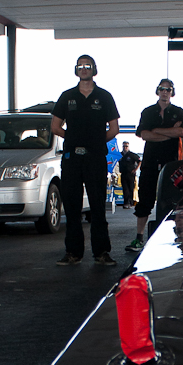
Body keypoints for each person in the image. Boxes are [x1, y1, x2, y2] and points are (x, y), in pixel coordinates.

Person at [51, 55, 119, 266]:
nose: (84, 69)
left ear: (94, 69)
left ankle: (101, 253)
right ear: (76, 70)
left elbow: (114, 128)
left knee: (98, 206)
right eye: (80, 66)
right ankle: (73, 253)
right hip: (72, 158)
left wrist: (95, 141)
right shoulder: (67, 96)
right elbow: (55, 126)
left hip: (95, 157)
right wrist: (73, 139)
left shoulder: (104, 96)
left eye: (87, 66)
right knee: (72, 207)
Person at [126, 80, 183, 252]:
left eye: (168, 89)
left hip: (171, 164)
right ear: (157, 91)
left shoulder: (178, 112)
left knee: (173, 201)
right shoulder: (148, 112)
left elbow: (181, 132)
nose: (165, 92)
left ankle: (171, 238)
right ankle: (139, 238)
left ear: (172, 92)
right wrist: (169, 132)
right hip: (150, 162)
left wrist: (156, 131)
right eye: (162, 89)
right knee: (145, 200)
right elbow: (144, 135)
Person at [118, 140, 140, 208]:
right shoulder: (120, 155)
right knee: (125, 189)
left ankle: (130, 202)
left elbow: (139, 161)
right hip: (123, 173)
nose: (125, 148)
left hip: (130, 174)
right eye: (124, 146)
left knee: (130, 188)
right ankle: (126, 203)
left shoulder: (132, 155)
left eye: (126, 146)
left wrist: (136, 169)